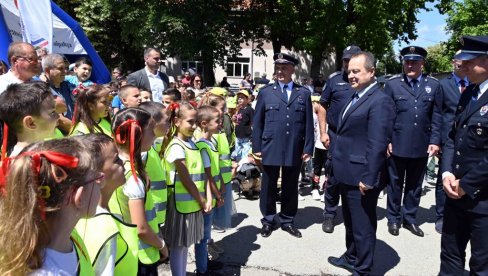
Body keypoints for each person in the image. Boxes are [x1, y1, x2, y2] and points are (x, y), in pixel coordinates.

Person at [327, 51, 395, 276]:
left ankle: (364, 269)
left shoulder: (380, 100)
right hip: (345, 171)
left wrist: (369, 177)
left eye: (356, 71)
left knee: (363, 225)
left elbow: (377, 144)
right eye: (349, 72)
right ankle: (352, 256)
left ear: (372, 72)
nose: (351, 76)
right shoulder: (353, 96)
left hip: (361, 175)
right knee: (350, 221)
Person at [0, 138, 101, 275]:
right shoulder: (45, 272)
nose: (102, 179)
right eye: (96, 178)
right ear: (80, 197)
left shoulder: (71, 237)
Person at [439, 35, 488, 275]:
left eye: (470, 61)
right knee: (450, 257)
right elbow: (452, 137)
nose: (463, 65)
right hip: (454, 192)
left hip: (482, 199)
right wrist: (447, 172)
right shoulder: (469, 92)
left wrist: (467, 185)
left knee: (481, 266)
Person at [252, 52, 314, 238]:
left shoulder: (303, 93)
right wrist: (256, 147)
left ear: (292, 69)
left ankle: (287, 219)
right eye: (278, 67)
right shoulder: (266, 92)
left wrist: (308, 148)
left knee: (290, 184)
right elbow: (258, 122)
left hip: (294, 145)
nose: (280, 71)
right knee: (269, 184)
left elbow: (308, 123)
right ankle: (268, 219)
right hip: (270, 144)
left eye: (284, 67)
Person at [385, 46, 442, 237]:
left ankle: (409, 218)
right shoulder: (392, 85)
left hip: (421, 144)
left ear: (422, 64)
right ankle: (393, 219)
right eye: (407, 61)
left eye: (414, 62)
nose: (410, 65)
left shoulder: (433, 85)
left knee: (415, 185)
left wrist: (435, 140)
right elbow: (385, 116)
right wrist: (386, 140)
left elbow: (437, 115)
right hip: (397, 143)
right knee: (394, 184)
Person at [108, 108, 166, 275]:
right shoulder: (133, 179)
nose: (155, 135)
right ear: (137, 134)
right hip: (142, 255)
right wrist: (162, 246)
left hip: (124, 250)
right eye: (151, 130)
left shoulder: (115, 168)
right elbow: (141, 228)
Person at [74, 133, 139, 276]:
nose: (123, 162)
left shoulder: (79, 214)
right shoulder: (102, 224)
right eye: (116, 159)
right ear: (98, 176)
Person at [163, 102, 210, 276]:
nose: (193, 126)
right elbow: (186, 179)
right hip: (179, 206)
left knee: (184, 245)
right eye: (189, 122)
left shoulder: (192, 144)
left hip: (190, 205)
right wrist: (202, 200)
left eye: (195, 121)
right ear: (176, 121)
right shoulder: (177, 147)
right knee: (178, 245)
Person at [318, 45, 361, 233]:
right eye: (345, 60)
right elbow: (322, 106)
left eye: (350, 60)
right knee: (333, 177)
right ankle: (329, 214)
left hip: (358, 139)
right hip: (336, 136)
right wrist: (323, 132)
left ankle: (354, 213)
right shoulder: (334, 80)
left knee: (354, 176)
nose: (347, 64)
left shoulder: (365, 80)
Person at [434, 54, 469, 234]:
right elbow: (437, 114)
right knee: (444, 176)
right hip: (447, 139)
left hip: (468, 140)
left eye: (466, 59)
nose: (462, 63)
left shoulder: (475, 84)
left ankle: (463, 213)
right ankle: (441, 215)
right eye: (459, 60)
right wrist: (436, 141)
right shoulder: (443, 85)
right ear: (453, 62)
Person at [195, 105, 225, 275]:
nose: (220, 123)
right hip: (208, 195)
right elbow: (208, 175)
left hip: (211, 194)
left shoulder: (211, 141)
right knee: (203, 236)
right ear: (204, 124)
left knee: (206, 234)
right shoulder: (202, 145)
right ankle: (202, 269)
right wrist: (218, 194)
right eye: (217, 120)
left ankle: (204, 262)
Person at [0, 82, 58, 158]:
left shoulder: (41, 150)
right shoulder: (25, 163)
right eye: (52, 112)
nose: (58, 116)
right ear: (30, 123)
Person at [42, 54, 76, 135]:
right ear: (47, 70)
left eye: (65, 68)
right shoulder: (43, 91)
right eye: (61, 68)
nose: (65, 71)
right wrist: (79, 131)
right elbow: (60, 120)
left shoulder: (68, 85)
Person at [232, 89, 254, 163]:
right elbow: (238, 121)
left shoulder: (250, 110)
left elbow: (252, 123)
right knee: (238, 154)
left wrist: (252, 135)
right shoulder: (239, 109)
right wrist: (234, 119)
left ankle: (244, 169)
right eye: (239, 98)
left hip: (246, 136)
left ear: (247, 99)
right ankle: (238, 169)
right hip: (238, 136)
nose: (240, 99)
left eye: (242, 98)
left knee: (245, 155)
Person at [311, 94, 326, 200]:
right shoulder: (315, 116)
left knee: (329, 169)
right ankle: (315, 188)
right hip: (318, 145)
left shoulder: (330, 114)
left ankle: (326, 189)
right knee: (317, 168)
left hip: (329, 146)